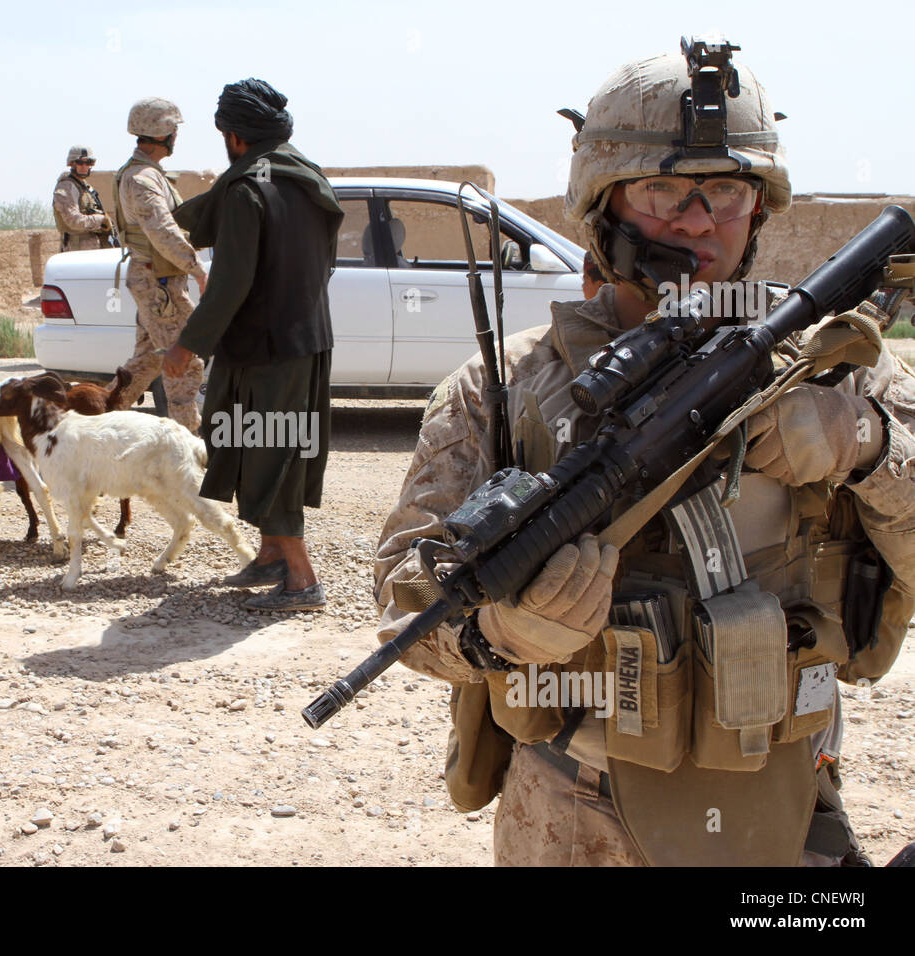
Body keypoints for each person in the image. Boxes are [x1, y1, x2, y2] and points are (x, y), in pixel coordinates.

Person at [372, 39, 915, 866]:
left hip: (783, 797)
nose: (697, 218)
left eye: (725, 190)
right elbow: (405, 611)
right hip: (571, 808)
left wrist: (867, 446)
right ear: (605, 207)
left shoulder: (845, 369)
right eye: (663, 188)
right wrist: (502, 634)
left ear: (759, 209)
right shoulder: (505, 384)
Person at [164, 78, 342, 612]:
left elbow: (231, 282)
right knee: (252, 436)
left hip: (269, 347)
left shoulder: (246, 190)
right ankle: (269, 555)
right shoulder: (308, 179)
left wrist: (186, 345)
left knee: (270, 449)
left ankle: (302, 578)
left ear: (235, 137)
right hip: (300, 338)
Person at [110, 97, 207, 433]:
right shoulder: (141, 179)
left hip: (157, 281)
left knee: (146, 362)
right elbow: (162, 231)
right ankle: (189, 443)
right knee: (186, 362)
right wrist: (197, 268)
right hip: (158, 284)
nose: (176, 136)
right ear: (162, 132)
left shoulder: (148, 174)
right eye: (173, 129)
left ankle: (95, 423)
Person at [53, 146, 112, 252]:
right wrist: (101, 220)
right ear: (72, 164)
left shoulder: (86, 187)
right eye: (80, 163)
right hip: (76, 249)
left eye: (88, 163)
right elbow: (73, 220)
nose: (84, 166)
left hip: (92, 248)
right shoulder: (66, 186)